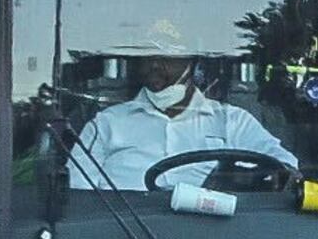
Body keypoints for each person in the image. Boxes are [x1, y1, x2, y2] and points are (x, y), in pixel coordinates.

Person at [66, 55, 294, 197]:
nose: (155, 65)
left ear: (191, 62)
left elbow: (284, 168)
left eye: (167, 56)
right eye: (147, 57)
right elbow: (75, 193)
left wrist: (238, 180)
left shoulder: (231, 122)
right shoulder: (107, 124)